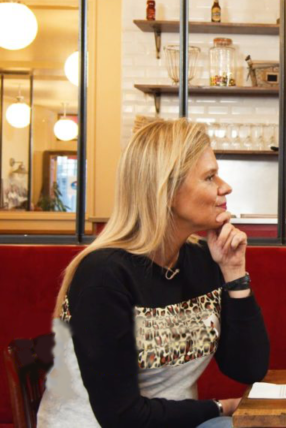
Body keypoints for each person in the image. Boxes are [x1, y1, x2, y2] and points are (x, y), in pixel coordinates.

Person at [37, 119, 270, 428]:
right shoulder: (103, 275)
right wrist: (220, 407)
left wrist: (234, 273)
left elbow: (248, 369)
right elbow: (122, 417)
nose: (224, 186)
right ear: (167, 191)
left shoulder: (203, 260)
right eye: (209, 177)